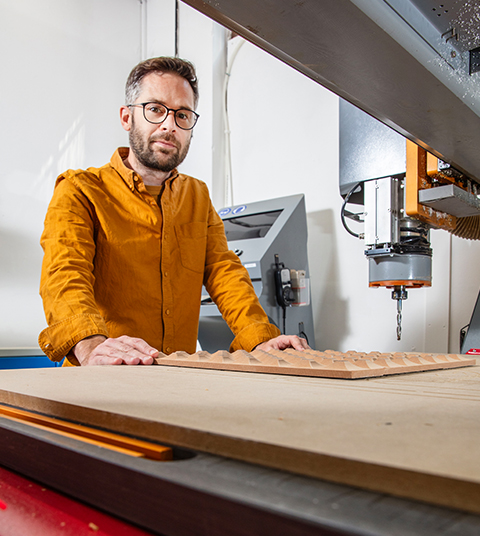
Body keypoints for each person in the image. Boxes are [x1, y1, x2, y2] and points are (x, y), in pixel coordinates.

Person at [39, 57, 309, 366]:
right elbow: (64, 274)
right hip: (104, 376)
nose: (169, 126)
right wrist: (89, 345)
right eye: (155, 110)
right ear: (127, 118)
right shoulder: (80, 190)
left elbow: (225, 272)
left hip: (177, 375)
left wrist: (260, 337)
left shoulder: (197, 195)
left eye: (182, 115)